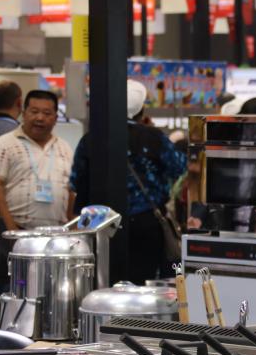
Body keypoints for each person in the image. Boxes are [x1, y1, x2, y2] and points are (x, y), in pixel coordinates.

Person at [70, 80, 186, 285]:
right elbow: (179, 167)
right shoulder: (154, 137)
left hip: (100, 225)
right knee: (143, 285)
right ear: (141, 110)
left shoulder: (90, 140)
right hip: (146, 224)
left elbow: (77, 182)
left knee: (103, 283)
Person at [0, 90, 75, 231]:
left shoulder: (65, 148)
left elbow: (70, 192)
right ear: (23, 114)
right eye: (34, 112)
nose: (40, 118)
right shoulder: (5, 143)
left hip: (58, 234)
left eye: (47, 113)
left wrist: (72, 228)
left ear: (56, 118)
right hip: (17, 230)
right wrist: (12, 231)